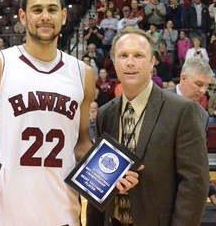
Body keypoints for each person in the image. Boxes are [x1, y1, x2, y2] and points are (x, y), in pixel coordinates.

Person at [0, 0, 141, 226]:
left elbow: (81, 141)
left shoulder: (83, 73)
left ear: (63, 16)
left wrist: (111, 174)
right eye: (36, 9)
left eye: (52, 10)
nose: (44, 16)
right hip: (8, 215)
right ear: (22, 16)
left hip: (64, 213)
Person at [86, 28, 209, 226]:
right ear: (114, 63)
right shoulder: (104, 114)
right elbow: (98, 183)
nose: (131, 62)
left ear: (152, 62)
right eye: (123, 55)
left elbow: (194, 183)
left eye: (139, 55)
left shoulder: (182, 110)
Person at [167, 57, 216, 206]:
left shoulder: (203, 115)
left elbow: (198, 157)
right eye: (199, 84)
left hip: (185, 197)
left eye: (206, 86)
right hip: (153, 193)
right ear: (183, 78)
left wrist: (211, 190)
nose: (202, 90)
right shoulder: (156, 100)